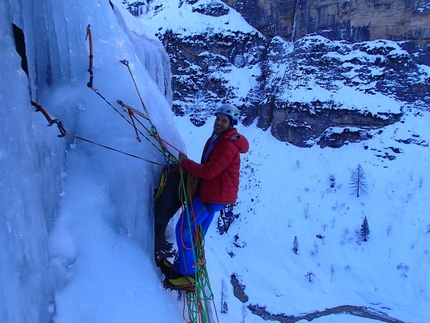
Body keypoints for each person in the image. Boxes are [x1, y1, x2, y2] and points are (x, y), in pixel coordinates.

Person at [161, 103, 249, 291]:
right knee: (196, 234)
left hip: (212, 197)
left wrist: (185, 163)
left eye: (224, 121)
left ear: (231, 124)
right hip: (215, 195)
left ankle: (189, 277)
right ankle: (183, 267)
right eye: (218, 118)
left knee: (184, 228)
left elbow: (209, 172)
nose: (219, 122)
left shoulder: (228, 145)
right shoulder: (219, 139)